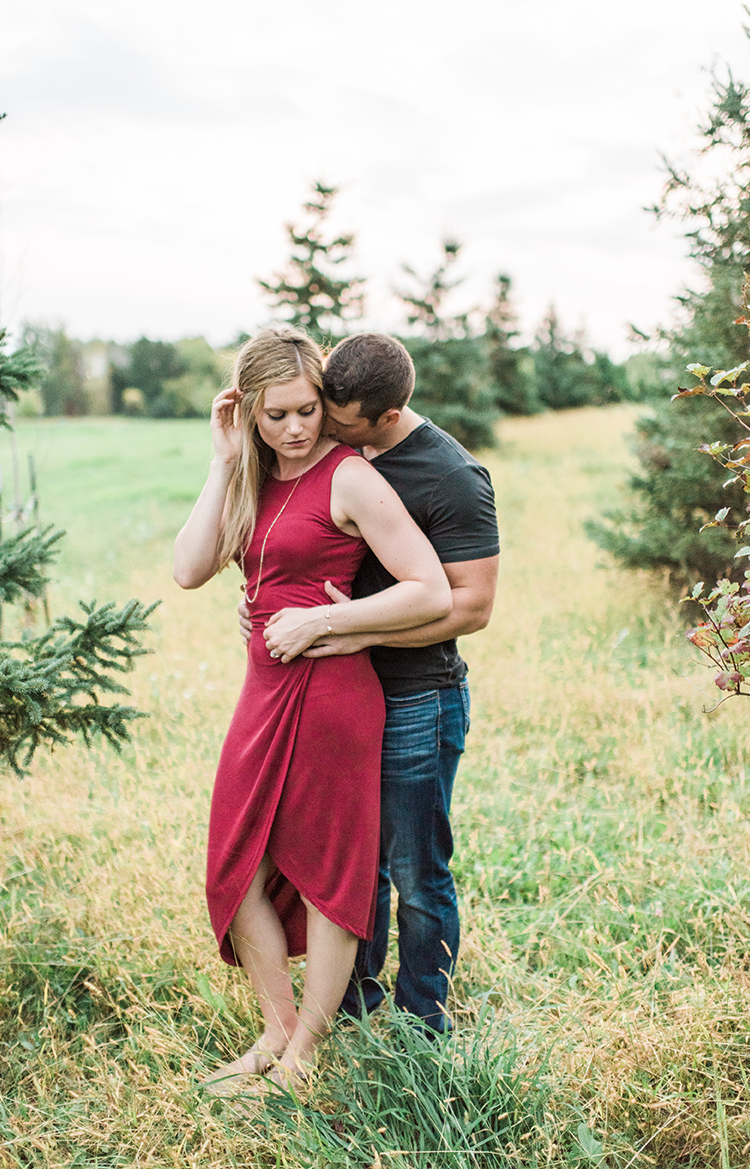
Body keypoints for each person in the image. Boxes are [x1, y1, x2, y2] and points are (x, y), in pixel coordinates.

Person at [173, 325, 451, 1091]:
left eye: (306, 412)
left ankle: (302, 1056)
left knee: (331, 875)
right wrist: (223, 460)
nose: (295, 430)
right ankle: (275, 1029)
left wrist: (327, 621)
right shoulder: (247, 475)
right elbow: (189, 568)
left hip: (332, 695)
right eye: (276, 416)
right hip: (262, 690)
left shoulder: (349, 477)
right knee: (237, 867)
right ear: (248, 412)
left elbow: (426, 587)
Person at [241, 332, 499, 1034]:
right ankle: (353, 1005)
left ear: (384, 416)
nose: (318, 427)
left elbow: (469, 606)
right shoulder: (344, 457)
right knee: (354, 863)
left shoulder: (450, 476)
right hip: (338, 694)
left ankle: (423, 1022)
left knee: (416, 872)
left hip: (418, 693)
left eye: (335, 419)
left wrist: (344, 628)